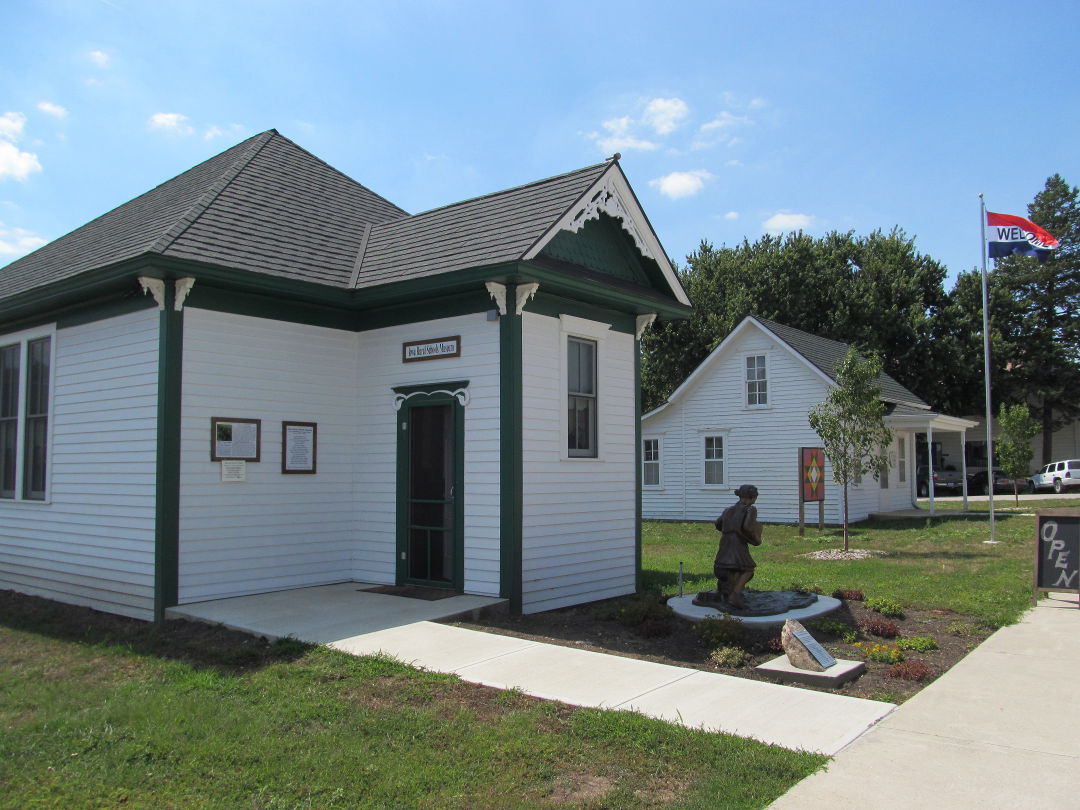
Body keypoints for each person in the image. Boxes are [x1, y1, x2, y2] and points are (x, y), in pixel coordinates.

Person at [713, 484, 763, 609]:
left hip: (725, 543)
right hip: (738, 544)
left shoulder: (728, 510)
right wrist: (756, 535)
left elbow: (718, 524)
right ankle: (735, 594)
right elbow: (747, 527)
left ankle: (729, 592)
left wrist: (729, 528)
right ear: (752, 498)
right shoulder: (750, 509)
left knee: (731, 569)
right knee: (748, 569)